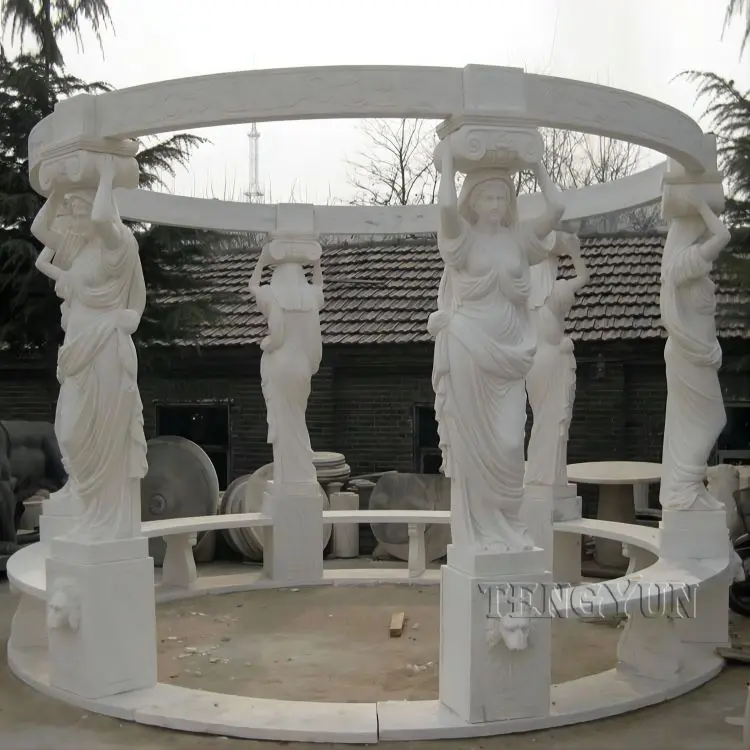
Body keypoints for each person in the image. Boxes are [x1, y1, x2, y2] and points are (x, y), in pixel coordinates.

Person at [428, 145, 565, 552]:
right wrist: (447, 163)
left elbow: (557, 207)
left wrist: (537, 162)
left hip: (510, 355)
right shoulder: (463, 239)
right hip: (468, 347)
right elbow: (446, 209)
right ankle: (481, 533)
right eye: (487, 197)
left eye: (501, 197)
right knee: (473, 446)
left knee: (509, 444)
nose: (494, 204)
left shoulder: (519, 239)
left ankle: (507, 526)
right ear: (472, 200)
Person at [32, 155, 148, 542]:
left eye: (79, 213)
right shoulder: (78, 249)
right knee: (70, 432)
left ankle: (105, 521)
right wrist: (59, 190)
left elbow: (100, 218)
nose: (75, 222)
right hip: (78, 353)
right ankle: (90, 508)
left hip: (106, 349)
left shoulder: (118, 245)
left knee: (103, 435)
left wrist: (106, 175)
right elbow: (39, 227)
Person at [659, 193, 731, 511]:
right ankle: (686, 486)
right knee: (713, 418)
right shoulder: (685, 264)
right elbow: (723, 236)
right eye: (699, 229)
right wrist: (702, 204)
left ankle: (689, 487)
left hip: (698, 354)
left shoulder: (690, 267)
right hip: (689, 354)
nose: (704, 234)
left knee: (690, 424)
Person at [248, 243, 324, 485]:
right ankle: (302, 474)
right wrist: (316, 263)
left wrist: (262, 261)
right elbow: (319, 286)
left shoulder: (272, 295)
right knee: (297, 421)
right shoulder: (310, 297)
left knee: (284, 424)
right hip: (301, 367)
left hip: (280, 366)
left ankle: (287, 477)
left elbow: (253, 286)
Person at [525, 229, 590, 487]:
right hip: (549, 362)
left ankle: (544, 475)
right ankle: (544, 475)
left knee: (544, 420)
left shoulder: (525, 299)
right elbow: (584, 277)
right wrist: (574, 253)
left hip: (534, 364)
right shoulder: (555, 292)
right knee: (549, 421)